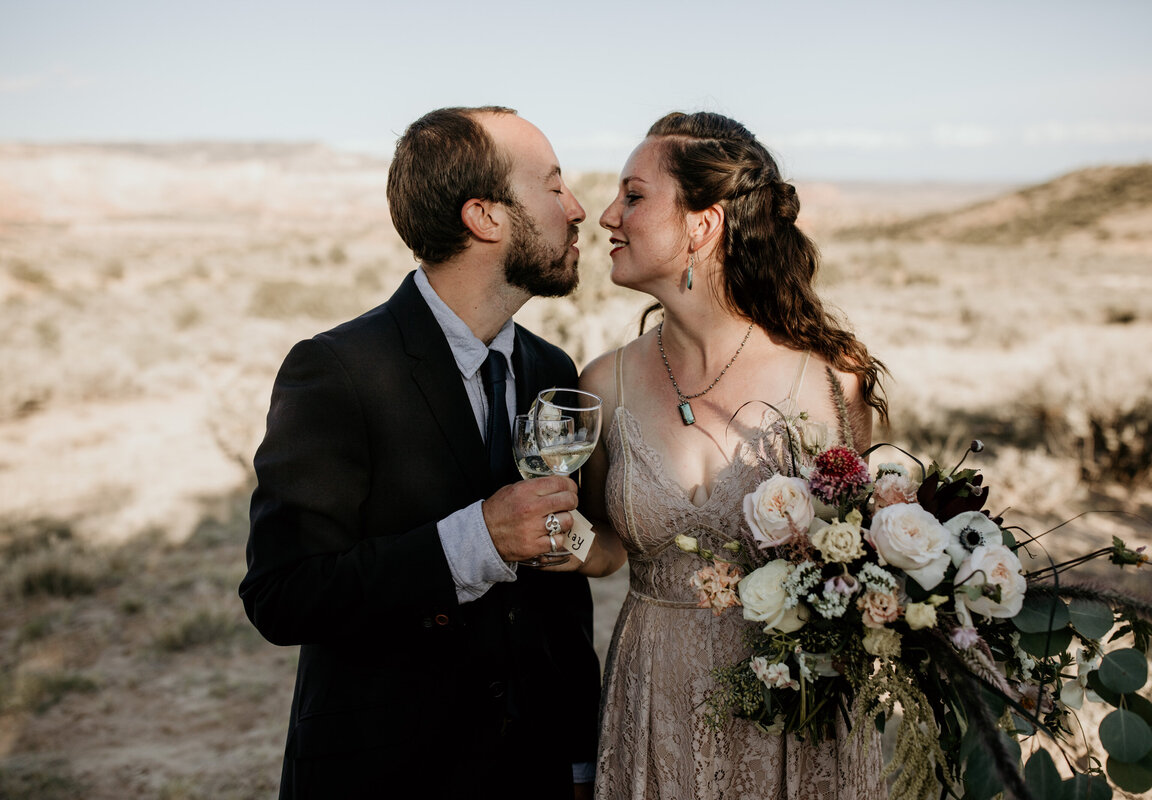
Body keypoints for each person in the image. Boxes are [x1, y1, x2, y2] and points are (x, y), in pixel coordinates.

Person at [239, 106, 601, 800]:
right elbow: (281, 595)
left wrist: (578, 761)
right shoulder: (338, 371)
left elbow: (561, 601)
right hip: (388, 776)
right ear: (485, 217)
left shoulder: (552, 371)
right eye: (553, 187)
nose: (578, 208)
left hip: (532, 777)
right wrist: (477, 541)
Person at [575, 112, 890, 798]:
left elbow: (863, 557)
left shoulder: (830, 382)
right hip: (654, 694)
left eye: (633, 196)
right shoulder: (604, 384)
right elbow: (606, 546)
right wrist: (549, 537)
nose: (606, 216)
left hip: (793, 710)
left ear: (702, 224)